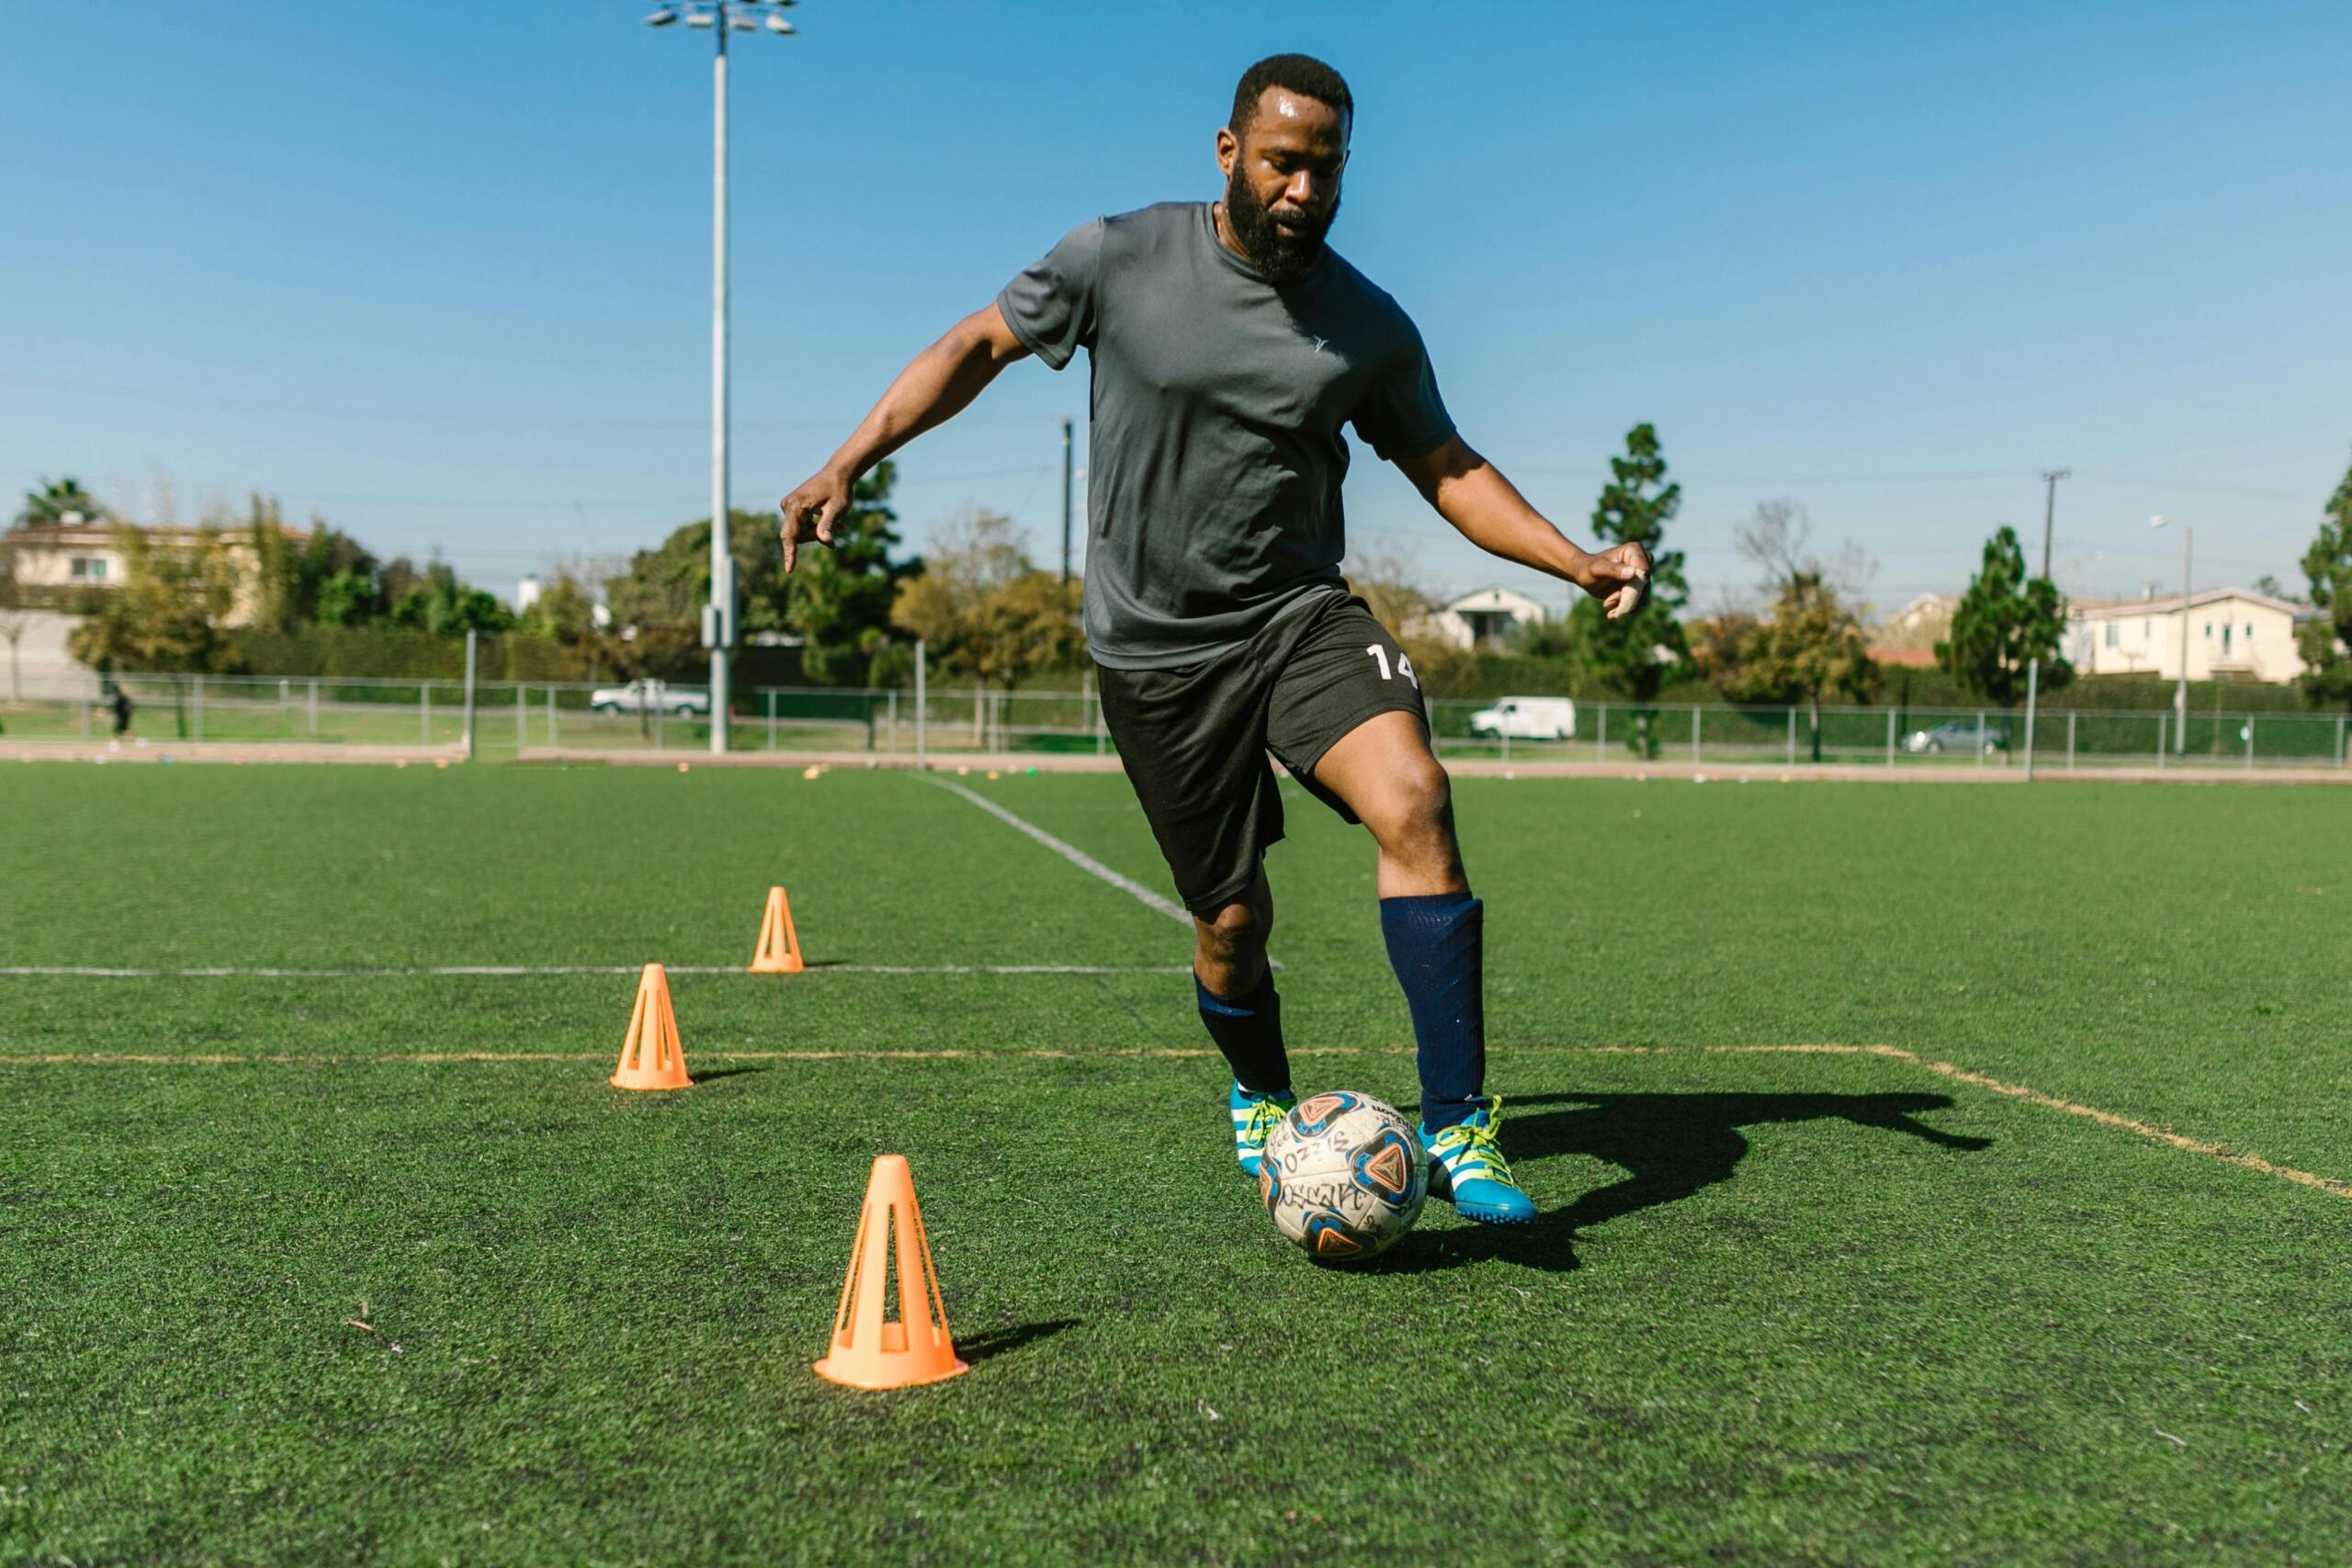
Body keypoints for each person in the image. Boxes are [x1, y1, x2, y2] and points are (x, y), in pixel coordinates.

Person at [779, 53, 1650, 1225]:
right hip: (1153, 653)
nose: (1303, 188)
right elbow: (975, 347)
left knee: (1417, 798)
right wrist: (847, 462)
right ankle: (1259, 1090)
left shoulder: (1368, 324)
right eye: (1284, 161)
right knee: (1231, 925)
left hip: (1298, 618)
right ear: (1230, 151)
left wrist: (1575, 560)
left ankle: (1461, 1127)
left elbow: (1446, 467)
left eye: (1326, 169)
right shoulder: (1116, 257)